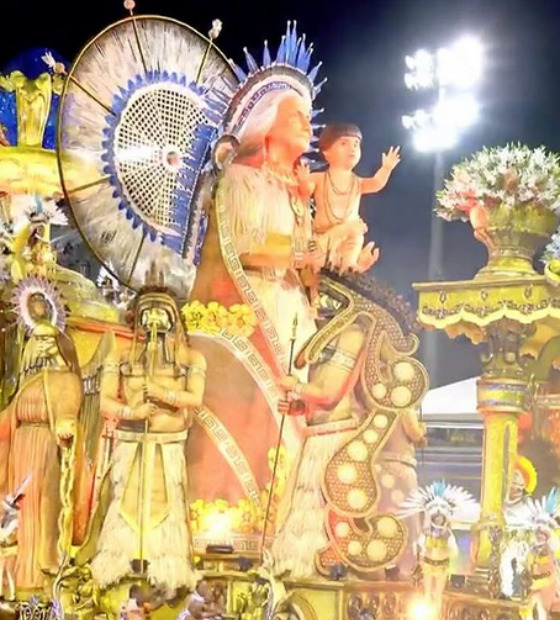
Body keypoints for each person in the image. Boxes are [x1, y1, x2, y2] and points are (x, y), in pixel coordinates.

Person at [81, 272, 205, 595]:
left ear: (172, 317)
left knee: (167, 508)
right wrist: (132, 412)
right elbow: (106, 401)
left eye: (159, 311)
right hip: (131, 444)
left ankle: (166, 570)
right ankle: (118, 568)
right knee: (124, 504)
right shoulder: (121, 357)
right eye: (146, 312)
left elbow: (195, 399)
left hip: (168, 447)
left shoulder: (190, 359)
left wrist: (164, 393)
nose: (152, 319)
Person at [0, 319, 82, 591]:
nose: (41, 344)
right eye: (37, 339)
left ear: (60, 341)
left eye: (47, 338)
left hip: (44, 449)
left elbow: (69, 409)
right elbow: (10, 414)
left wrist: (66, 424)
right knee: (16, 506)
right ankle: (14, 570)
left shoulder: (68, 379)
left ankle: (34, 571)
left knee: (35, 503)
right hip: (20, 449)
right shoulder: (32, 379)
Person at [297, 124, 400, 273]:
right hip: (323, 236)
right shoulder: (319, 178)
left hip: (350, 233)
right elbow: (306, 192)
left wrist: (386, 169)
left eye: (356, 144)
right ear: (326, 151)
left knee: (356, 235)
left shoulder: (357, 182)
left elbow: (376, 183)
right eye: (344, 143)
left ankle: (350, 263)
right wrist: (303, 181)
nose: (351, 148)